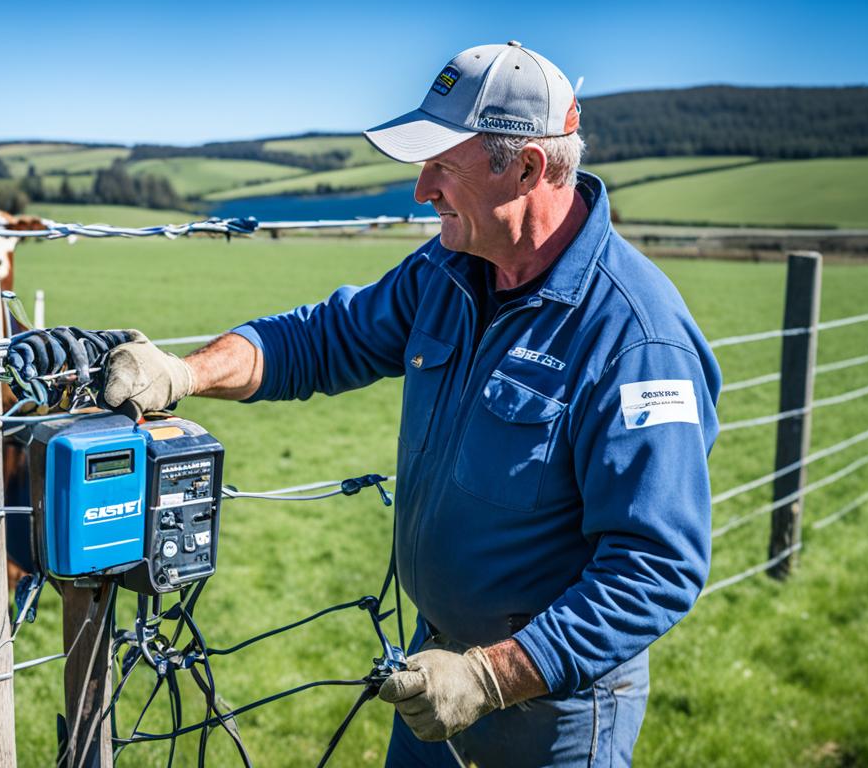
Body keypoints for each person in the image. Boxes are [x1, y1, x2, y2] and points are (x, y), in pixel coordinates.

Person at [101, 41, 721, 768]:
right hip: (434, 673)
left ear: (525, 168)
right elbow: (324, 338)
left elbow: (655, 566)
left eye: (442, 165)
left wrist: (491, 677)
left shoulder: (636, 339)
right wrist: (184, 372)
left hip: (550, 712)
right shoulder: (450, 269)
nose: (421, 189)